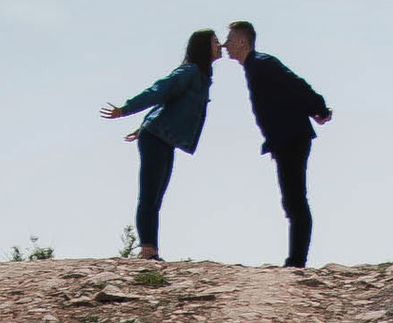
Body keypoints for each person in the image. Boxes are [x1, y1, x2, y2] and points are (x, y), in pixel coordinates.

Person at [102, 31, 219, 260]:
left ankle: (151, 249)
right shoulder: (190, 71)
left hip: (163, 137)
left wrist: (144, 124)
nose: (221, 45)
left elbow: (170, 104)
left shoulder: (203, 76)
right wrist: (125, 109)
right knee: (149, 194)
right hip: (156, 137)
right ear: (204, 47)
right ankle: (147, 250)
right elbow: (159, 91)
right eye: (215, 42)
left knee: (156, 195)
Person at [227, 21, 332, 269]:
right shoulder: (254, 66)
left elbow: (295, 85)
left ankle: (296, 261)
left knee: (295, 199)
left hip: (292, 137)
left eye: (229, 39)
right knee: (291, 199)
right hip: (284, 138)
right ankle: (295, 259)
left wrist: (319, 108)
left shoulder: (263, 63)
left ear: (242, 41)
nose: (225, 45)